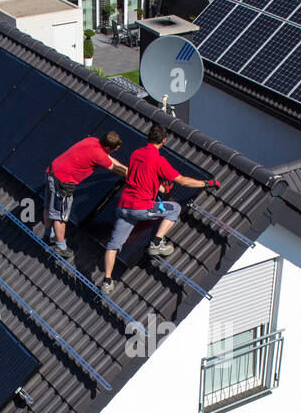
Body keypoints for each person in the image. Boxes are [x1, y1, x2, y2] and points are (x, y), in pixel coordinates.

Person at [102, 123, 218, 295]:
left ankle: (107, 281)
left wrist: (158, 183)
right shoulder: (159, 160)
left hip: (123, 206)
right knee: (174, 209)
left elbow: (141, 175)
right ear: (164, 140)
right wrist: (208, 183)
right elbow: (183, 181)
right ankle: (157, 243)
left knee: (113, 245)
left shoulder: (136, 154)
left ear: (149, 138)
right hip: (142, 208)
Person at [44, 131, 127, 259]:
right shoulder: (99, 155)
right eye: (114, 150)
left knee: (49, 207)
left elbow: (111, 160)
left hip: (53, 171)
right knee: (60, 216)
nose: (114, 152)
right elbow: (114, 167)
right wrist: (133, 175)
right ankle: (61, 247)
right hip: (63, 183)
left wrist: (129, 169)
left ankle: (47, 234)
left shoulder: (92, 141)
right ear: (107, 148)